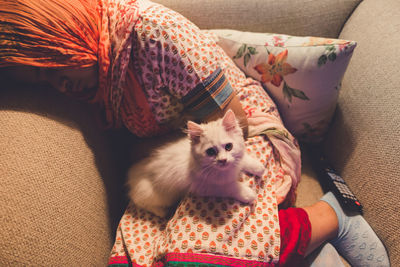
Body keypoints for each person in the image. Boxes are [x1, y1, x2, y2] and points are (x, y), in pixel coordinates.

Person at [0, 0, 390, 266]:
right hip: (180, 157)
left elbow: (230, 123)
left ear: (63, 31)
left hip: (245, 136)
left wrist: (175, 164)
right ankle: (294, 241)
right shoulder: (104, 63)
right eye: (42, 81)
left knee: (200, 250)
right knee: (141, 250)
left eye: (52, 66)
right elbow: (145, 147)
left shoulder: (154, 34)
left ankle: (331, 216)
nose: (59, 86)